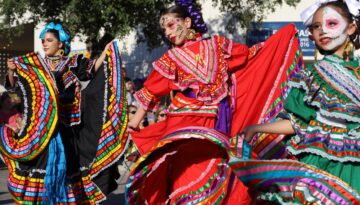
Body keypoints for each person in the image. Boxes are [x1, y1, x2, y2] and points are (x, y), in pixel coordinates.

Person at [125, 0, 303, 204]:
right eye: (164, 28)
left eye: (171, 25)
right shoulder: (173, 58)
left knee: (214, 167)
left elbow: (247, 57)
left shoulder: (217, 47)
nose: (167, 32)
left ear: (188, 22)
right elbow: (152, 90)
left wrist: (278, 43)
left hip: (215, 121)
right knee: (186, 170)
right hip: (184, 122)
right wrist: (135, 120)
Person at [243, 0, 360, 199]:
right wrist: (256, 128)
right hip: (318, 166)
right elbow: (297, 122)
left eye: (331, 23)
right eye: (316, 27)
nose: (322, 30)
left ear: (350, 28)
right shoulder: (309, 76)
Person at [0, 22, 128, 204]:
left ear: (60, 44)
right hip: (41, 131)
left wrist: (108, 51)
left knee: (68, 172)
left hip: (67, 130)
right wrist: (12, 71)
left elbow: (92, 70)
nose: (44, 43)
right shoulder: (36, 67)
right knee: (40, 171)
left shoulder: (73, 63)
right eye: (43, 40)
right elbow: (17, 90)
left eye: (49, 40)